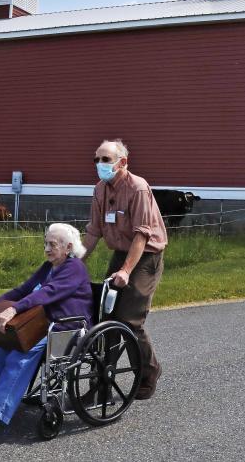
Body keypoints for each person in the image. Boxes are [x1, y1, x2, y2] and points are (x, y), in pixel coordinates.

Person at [0, 223, 93, 442]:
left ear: (68, 247)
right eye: (45, 243)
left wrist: (14, 309)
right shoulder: (49, 266)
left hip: (65, 328)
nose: (47, 248)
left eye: (53, 244)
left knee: (19, 355)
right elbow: (23, 290)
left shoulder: (74, 268)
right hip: (39, 325)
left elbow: (48, 293)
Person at [82, 139, 167, 400]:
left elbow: (142, 234)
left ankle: (149, 372)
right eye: (96, 159)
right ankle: (102, 383)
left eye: (106, 160)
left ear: (123, 162)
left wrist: (126, 271)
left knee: (129, 319)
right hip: (122, 252)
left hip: (146, 256)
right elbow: (94, 231)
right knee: (105, 318)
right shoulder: (99, 190)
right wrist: (73, 263)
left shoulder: (138, 188)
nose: (100, 165)